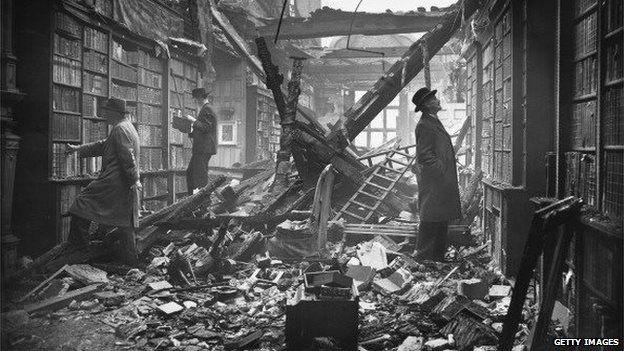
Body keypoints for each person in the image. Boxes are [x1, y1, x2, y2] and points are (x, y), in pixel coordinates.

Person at [66, 98, 141, 264]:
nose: (105, 114)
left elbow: (128, 158)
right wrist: (78, 149)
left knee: (81, 202)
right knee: (125, 222)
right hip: (122, 183)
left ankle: (80, 248)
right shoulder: (125, 127)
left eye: (107, 111)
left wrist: (134, 180)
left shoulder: (120, 129)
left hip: (114, 183)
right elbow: (103, 145)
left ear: (114, 113)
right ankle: (131, 260)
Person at [411, 87, 461, 262]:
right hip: (434, 182)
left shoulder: (432, 121)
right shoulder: (425, 125)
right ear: (426, 104)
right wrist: (440, 170)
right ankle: (423, 259)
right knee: (430, 220)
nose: (438, 101)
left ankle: (436, 260)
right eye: (434, 99)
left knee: (440, 219)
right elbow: (425, 154)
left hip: (440, 182)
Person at [184, 87, 217, 194]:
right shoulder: (205, 109)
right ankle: (192, 199)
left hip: (204, 148)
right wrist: (188, 130)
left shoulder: (207, 109)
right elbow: (202, 130)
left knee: (199, 177)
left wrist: (193, 120)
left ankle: (201, 201)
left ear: (200, 98)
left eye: (196, 99)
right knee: (191, 173)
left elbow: (206, 128)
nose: (195, 101)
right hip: (201, 148)